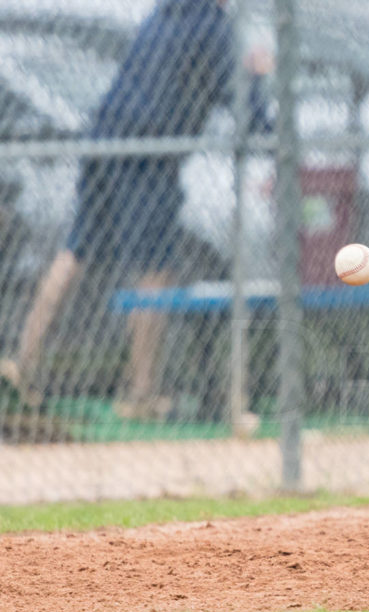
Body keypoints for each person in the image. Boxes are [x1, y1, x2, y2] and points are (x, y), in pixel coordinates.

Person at [0, 0, 272, 417]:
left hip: (104, 140)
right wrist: (257, 77)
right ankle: (142, 394)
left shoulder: (164, 15)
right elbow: (244, 107)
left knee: (76, 252)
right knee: (153, 268)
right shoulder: (211, 26)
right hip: (148, 156)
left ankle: (23, 364)